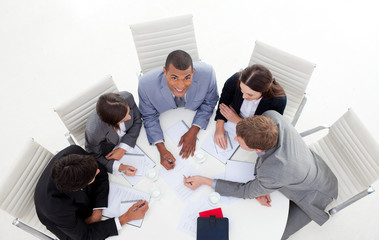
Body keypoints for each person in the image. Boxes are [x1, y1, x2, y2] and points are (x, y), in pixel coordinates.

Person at [184, 111, 338, 239]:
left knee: (271, 235)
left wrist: (204, 180)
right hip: (307, 167)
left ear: (257, 149)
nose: (235, 139)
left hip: (315, 196)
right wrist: (262, 186)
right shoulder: (272, 117)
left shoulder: (275, 171)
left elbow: (245, 191)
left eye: (240, 141)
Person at [34, 145, 149, 240]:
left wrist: (97, 210)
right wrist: (125, 218)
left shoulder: (74, 152)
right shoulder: (55, 209)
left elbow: (101, 173)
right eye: (93, 176)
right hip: (66, 224)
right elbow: (85, 236)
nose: (97, 170)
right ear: (79, 187)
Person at [138, 50, 219, 170]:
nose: (181, 86)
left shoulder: (208, 74)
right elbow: (149, 116)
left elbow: (210, 102)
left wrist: (193, 131)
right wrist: (161, 149)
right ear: (165, 72)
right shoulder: (145, 85)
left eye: (187, 78)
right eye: (174, 78)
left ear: (193, 72)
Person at [214, 64, 286, 149]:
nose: (243, 96)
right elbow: (224, 101)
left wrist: (237, 120)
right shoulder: (235, 80)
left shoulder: (278, 101)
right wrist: (219, 126)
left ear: (264, 91)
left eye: (250, 95)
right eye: (241, 90)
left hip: (252, 133)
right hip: (230, 121)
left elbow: (267, 131)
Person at [85, 92, 142, 175]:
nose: (129, 117)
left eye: (128, 112)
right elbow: (94, 156)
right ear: (111, 123)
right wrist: (119, 167)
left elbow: (137, 120)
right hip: (109, 151)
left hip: (132, 142)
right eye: (123, 119)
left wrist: (123, 148)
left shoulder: (128, 97)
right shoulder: (93, 132)